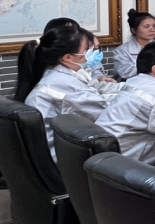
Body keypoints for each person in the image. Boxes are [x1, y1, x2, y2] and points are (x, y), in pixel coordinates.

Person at [15, 26, 112, 159]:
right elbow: (105, 112)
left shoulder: (55, 74)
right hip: (61, 159)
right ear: (68, 57)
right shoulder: (65, 85)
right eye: (88, 50)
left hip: (51, 151)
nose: (94, 53)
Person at [112, 10, 155, 80]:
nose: (152, 30)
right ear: (133, 30)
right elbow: (126, 73)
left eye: (154, 26)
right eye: (146, 27)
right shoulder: (122, 51)